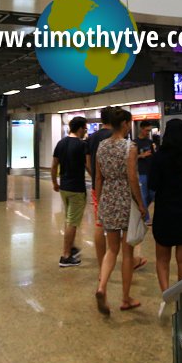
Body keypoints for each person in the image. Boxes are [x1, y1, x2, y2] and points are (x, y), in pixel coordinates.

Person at [94, 108, 146, 314]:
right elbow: (132, 178)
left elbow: (98, 178)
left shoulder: (101, 146)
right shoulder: (129, 147)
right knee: (127, 252)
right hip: (125, 198)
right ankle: (125, 298)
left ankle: (102, 286)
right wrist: (141, 204)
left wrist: (100, 200)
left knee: (111, 249)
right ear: (124, 124)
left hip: (108, 197)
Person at [149, 118, 182, 294]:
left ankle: (167, 295)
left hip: (165, 210)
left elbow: (152, 185)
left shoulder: (158, 158)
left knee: (162, 259)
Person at [52, 116, 88, 267]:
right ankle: (66, 256)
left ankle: (71, 248)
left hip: (64, 187)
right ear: (80, 128)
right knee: (72, 222)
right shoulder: (82, 145)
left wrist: (54, 182)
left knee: (69, 219)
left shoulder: (61, 143)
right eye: (85, 128)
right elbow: (88, 166)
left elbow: (53, 165)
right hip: (77, 188)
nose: (86, 131)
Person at [87, 108, 117, 269]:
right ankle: (128, 260)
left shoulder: (93, 137)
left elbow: (87, 160)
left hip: (96, 186)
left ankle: (102, 264)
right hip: (115, 187)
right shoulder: (116, 136)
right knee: (121, 225)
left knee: (100, 223)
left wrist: (94, 176)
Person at [134, 120, 158, 218]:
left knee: (153, 195)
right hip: (142, 172)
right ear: (141, 129)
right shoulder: (135, 143)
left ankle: (153, 216)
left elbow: (155, 155)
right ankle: (146, 218)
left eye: (149, 131)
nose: (148, 133)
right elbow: (131, 158)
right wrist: (141, 155)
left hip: (151, 172)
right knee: (143, 196)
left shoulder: (150, 142)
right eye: (146, 130)